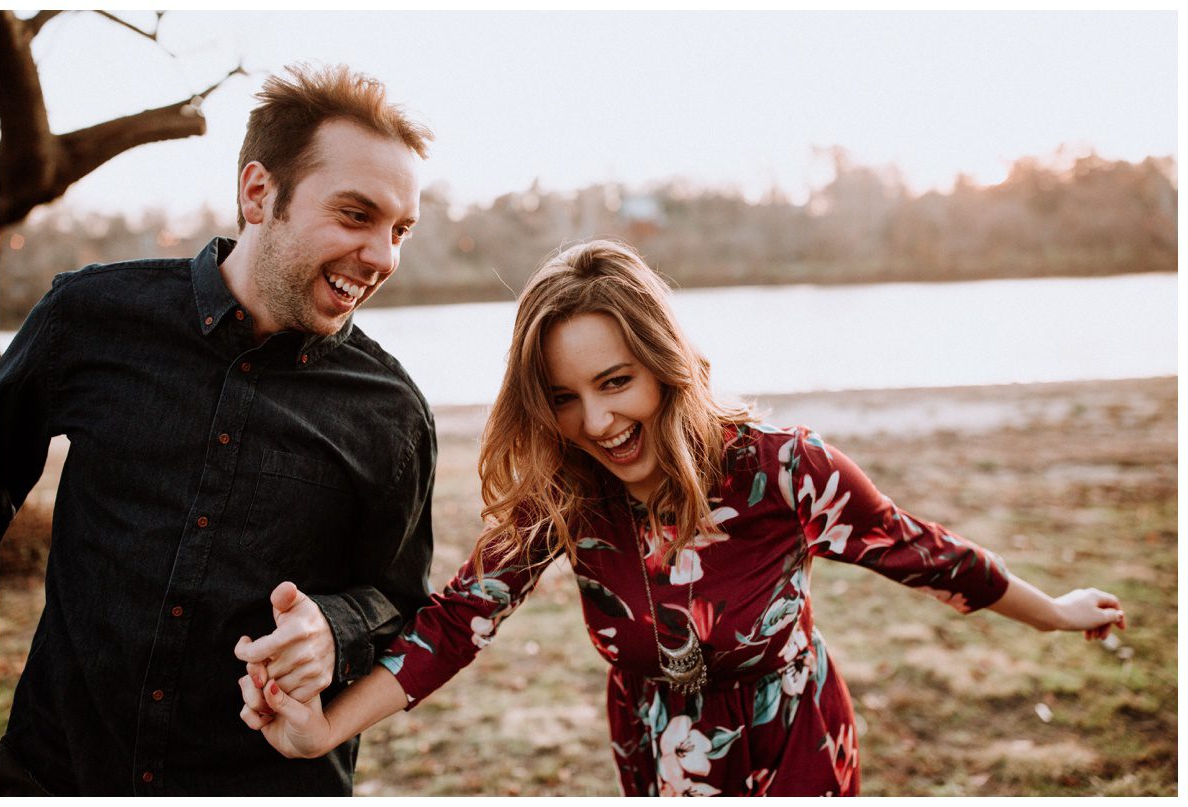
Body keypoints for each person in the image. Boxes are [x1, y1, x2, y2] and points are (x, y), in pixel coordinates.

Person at [237, 239, 1126, 796]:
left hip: (794, 741)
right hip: (656, 750)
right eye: (565, 396)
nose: (596, 421)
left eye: (616, 380)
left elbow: (921, 551)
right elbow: (457, 622)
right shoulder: (565, 489)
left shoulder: (782, 466)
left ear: (665, 361)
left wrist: (1052, 609)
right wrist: (325, 728)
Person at [0, 64, 439, 796]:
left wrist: (337, 627)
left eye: (399, 230)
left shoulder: (393, 410)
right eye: (357, 216)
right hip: (55, 773)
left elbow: (404, 606)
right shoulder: (89, 315)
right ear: (259, 193)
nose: (383, 256)